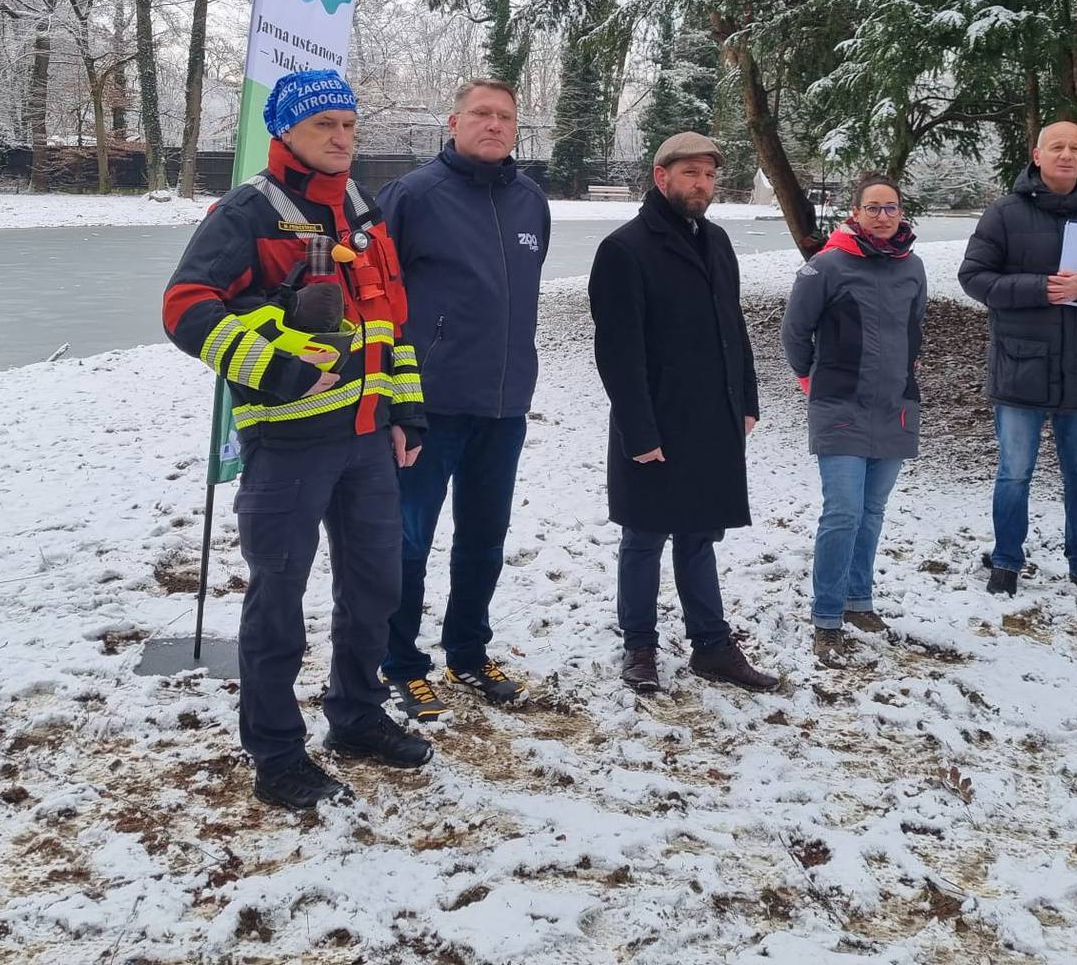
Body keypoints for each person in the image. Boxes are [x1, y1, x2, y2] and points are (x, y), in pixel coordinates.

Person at [163, 68, 433, 809]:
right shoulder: (247, 211)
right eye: (325, 127)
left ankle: (355, 714)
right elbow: (185, 308)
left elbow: (389, 321)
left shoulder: (360, 209)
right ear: (285, 132)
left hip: (368, 440)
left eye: (348, 125)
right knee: (277, 599)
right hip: (287, 446)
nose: (342, 139)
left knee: (375, 587)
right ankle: (276, 753)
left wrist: (407, 412)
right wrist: (276, 370)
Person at [377, 78, 551, 718]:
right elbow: (380, 302)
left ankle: (468, 652)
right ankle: (400, 661)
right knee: (408, 539)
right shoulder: (413, 196)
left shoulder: (531, 201)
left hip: (503, 405)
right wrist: (398, 398)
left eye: (506, 116)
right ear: (454, 122)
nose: (495, 124)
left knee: (485, 536)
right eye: (481, 113)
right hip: (428, 408)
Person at [587, 132, 778, 694]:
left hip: (711, 416)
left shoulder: (716, 241)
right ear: (661, 175)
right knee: (644, 536)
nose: (701, 184)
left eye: (710, 175)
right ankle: (639, 645)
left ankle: (712, 646)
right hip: (656, 419)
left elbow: (732, 326)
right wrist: (640, 431)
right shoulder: (625, 248)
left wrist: (744, 398)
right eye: (690, 173)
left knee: (699, 534)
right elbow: (618, 353)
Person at [958, 120, 1077, 600]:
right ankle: (1005, 560)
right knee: (1014, 472)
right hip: (1020, 365)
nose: (1066, 154)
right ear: (1037, 155)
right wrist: (1040, 287)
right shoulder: (1003, 213)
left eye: (1076, 148)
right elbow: (975, 278)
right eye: (1056, 146)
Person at [782, 171, 927, 664]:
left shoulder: (913, 267)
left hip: (895, 408)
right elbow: (795, 333)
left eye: (891, 208)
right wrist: (813, 381)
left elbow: (915, 327)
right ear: (855, 211)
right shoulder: (826, 266)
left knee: (872, 511)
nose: (883, 216)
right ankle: (826, 617)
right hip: (839, 406)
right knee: (842, 511)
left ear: (900, 213)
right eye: (873, 208)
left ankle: (858, 601)